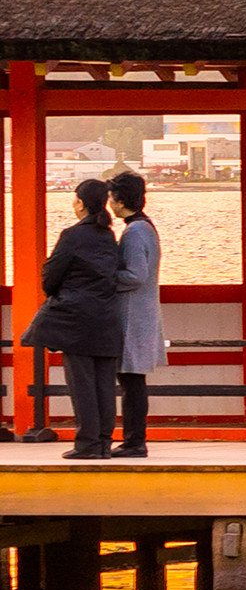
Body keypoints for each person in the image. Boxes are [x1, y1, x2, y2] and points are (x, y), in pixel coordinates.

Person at [21, 179, 129, 459]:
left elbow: (50, 276)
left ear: (80, 203)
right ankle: (104, 442)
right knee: (105, 384)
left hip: (77, 321)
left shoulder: (72, 235)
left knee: (81, 383)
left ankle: (87, 444)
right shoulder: (108, 235)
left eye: (74, 199)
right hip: (107, 318)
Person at [108, 169, 158, 459]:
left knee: (131, 382)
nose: (109, 204)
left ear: (119, 200)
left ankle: (134, 441)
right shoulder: (145, 226)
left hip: (132, 315)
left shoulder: (134, 231)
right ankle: (134, 439)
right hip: (141, 313)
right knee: (133, 381)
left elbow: (136, 275)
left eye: (112, 198)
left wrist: (106, 278)